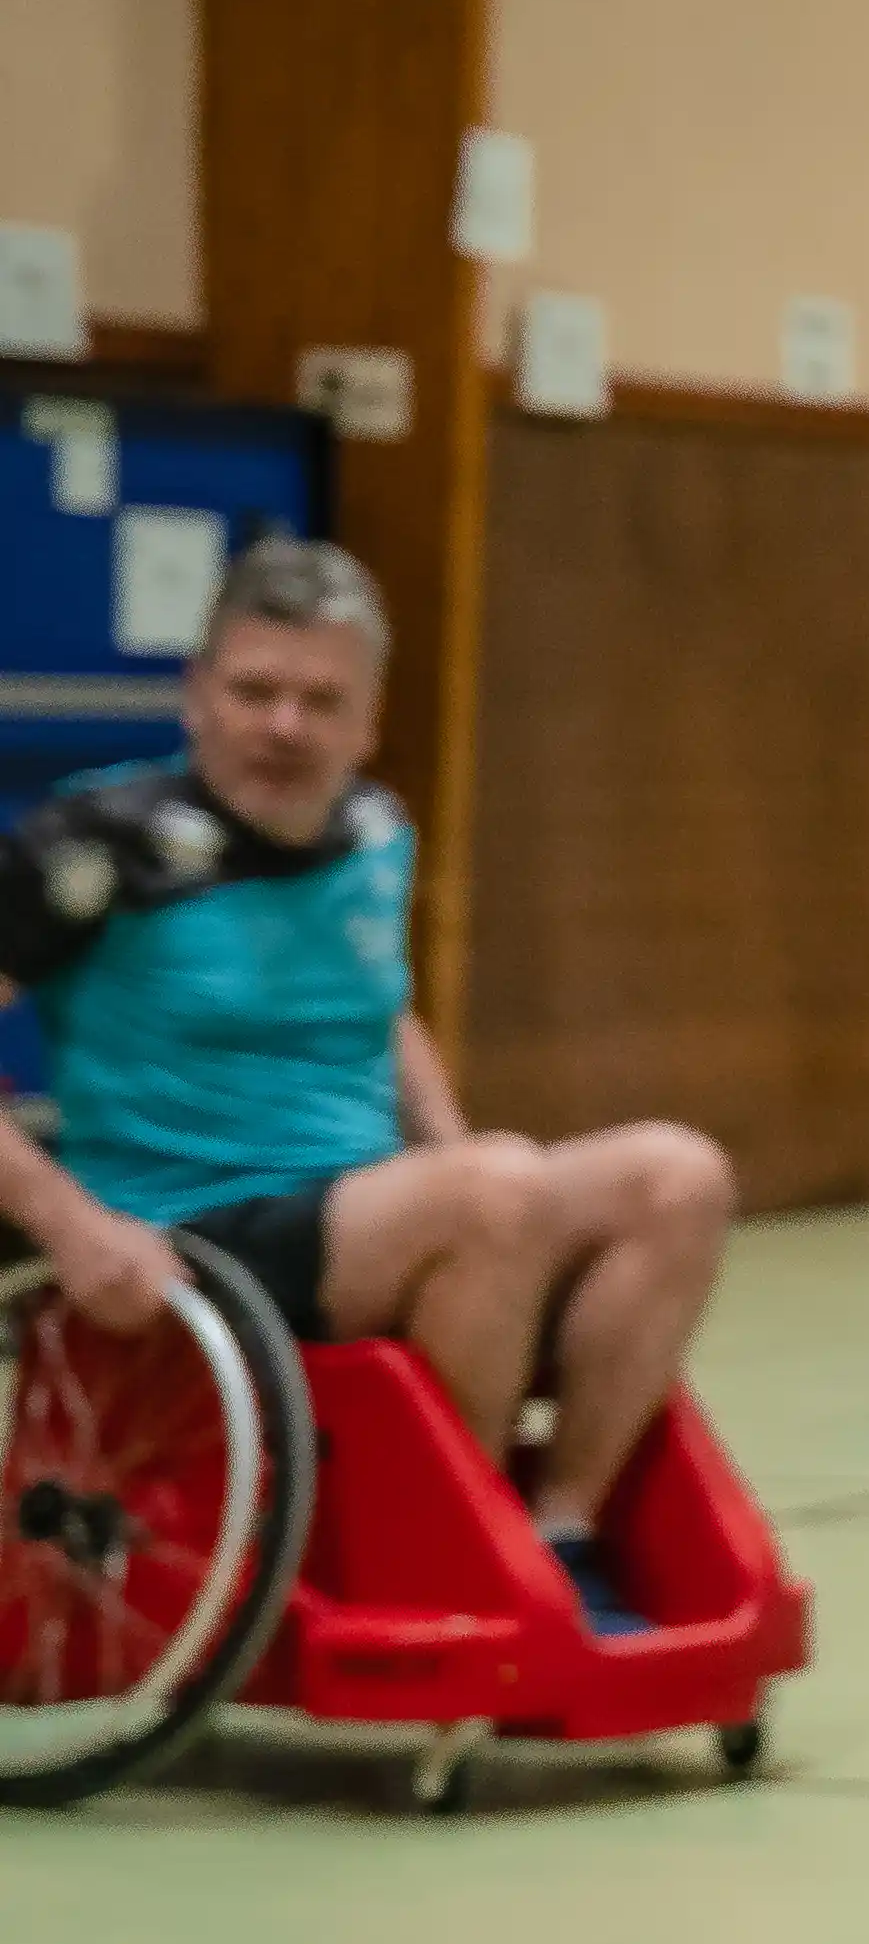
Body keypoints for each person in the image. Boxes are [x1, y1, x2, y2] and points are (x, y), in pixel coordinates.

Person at [0, 539, 738, 1591]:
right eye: (254, 692)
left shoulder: (372, 832)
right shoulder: (93, 847)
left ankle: (559, 1531)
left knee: (677, 1176)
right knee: (493, 1191)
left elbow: (381, 1010)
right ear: (196, 695)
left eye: (321, 701)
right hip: (194, 1233)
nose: (284, 726)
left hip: (359, 1214)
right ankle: (449, 1555)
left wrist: (463, 1158)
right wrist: (70, 1225)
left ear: (368, 721)